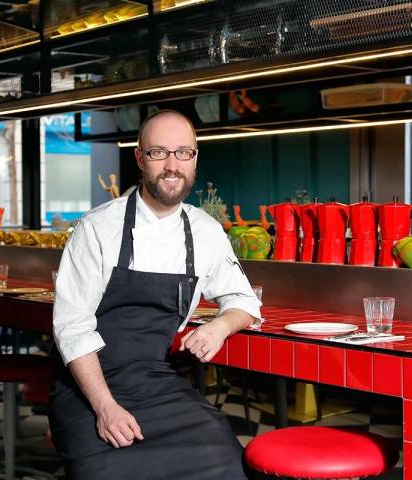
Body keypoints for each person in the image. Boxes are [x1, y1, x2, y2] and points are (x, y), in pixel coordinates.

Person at [48, 110, 261, 479]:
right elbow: (71, 328)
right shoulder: (97, 228)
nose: (172, 165)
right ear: (139, 158)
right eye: (159, 152)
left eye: (183, 153)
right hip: (88, 387)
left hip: (157, 382)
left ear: (194, 159)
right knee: (103, 472)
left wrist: (220, 327)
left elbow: (245, 302)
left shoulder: (205, 231)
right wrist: (105, 408)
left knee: (226, 459)